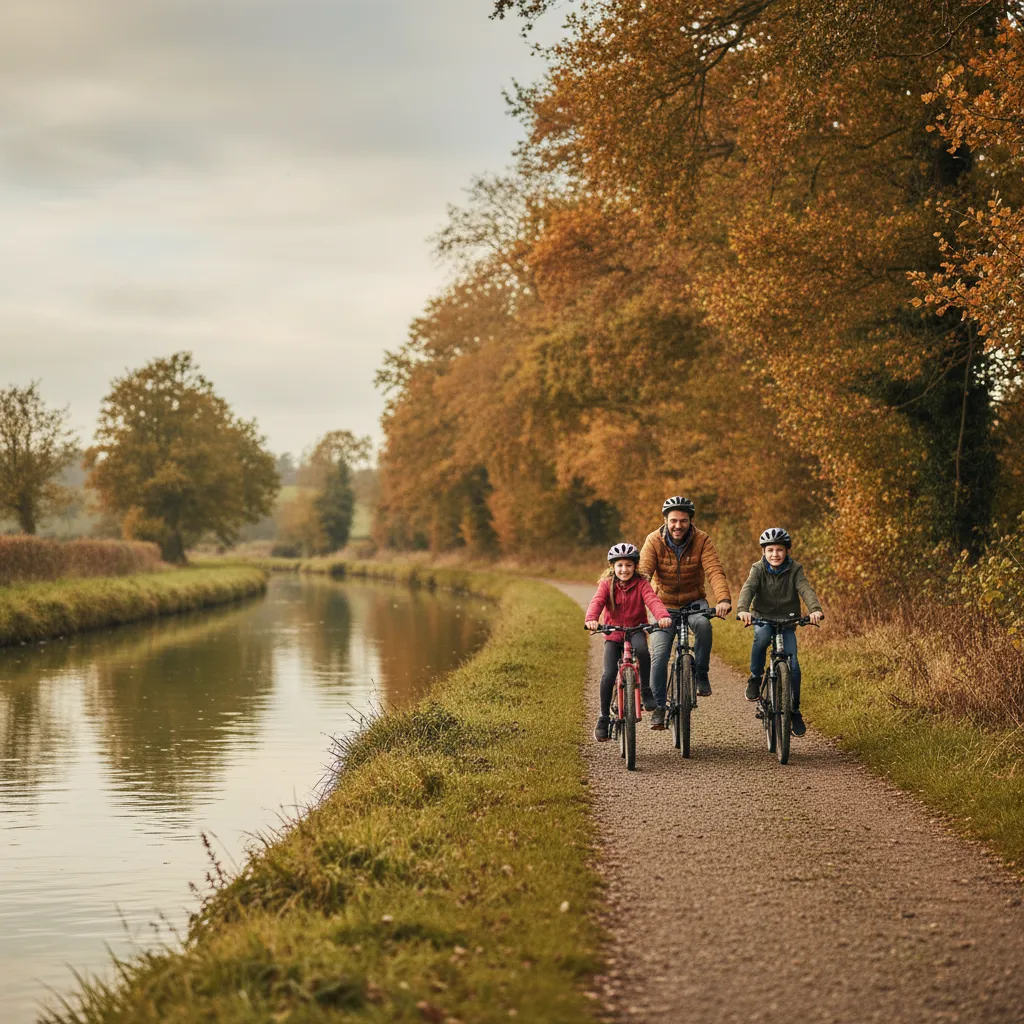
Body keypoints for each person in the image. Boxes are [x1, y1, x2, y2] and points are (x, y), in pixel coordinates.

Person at [640, 497, 732, 729]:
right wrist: (638, 604)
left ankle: (701, 672)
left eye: (683, 521)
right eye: (673, 521)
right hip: (663, 605)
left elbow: (714, 571)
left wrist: (723, 599)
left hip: (694, 602)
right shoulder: (653, 541)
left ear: (691, 521)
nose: (678, 525)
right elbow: (643, 575)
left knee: (703, 625)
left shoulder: (702, 540)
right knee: (659, 654)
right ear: (665, 521)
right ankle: (660, 707)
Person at [736, 527, 824, 737]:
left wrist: (815, 610)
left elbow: (805, 589)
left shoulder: (795, 569)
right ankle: (755, 678)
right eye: (770, 550)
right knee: (762, 637)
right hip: (763, 617)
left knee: (793, 667)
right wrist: (742, 610)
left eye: (780, 550)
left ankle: (794, 710)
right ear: (764, 552)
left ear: (786, 552)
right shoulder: (757, 569)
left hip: (788, 620)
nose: (775, 554)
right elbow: (748, 588)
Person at [585, 542, 672, 742]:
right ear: (612, 567)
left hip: (635, 630)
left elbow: (653, 600)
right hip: (613, 633)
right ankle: (604, 717)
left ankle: (646, 691)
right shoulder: (607, 584)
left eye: (629, 565)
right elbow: (597, 601)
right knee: (608, 674)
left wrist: (662, 616)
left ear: (635, 566)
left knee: (643, 650)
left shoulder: (642, 583)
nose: (624, 570)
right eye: (620, 565)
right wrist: (591, 619)